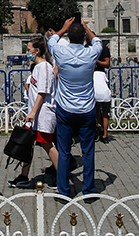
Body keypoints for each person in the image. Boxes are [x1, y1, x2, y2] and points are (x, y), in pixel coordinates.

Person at [47, 17, 103, 197]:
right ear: (84, 38)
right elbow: (97, 41)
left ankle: (64, 190)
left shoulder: (61, 53)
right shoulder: (91, 53)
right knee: (88, 151)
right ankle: (88, 189)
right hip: (86, 109)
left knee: (63, 151)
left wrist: (63, 28)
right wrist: (86, 27)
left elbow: (52, 39)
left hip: (65, 109)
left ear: (69, 37)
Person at [8, 36, 59, 189]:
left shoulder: (44, 67)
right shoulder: (37, 67)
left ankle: (62, 176)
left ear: (37, 51)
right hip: (35, 114)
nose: (27, 52)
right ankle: (23, 176)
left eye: (29, 49)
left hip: (43, 113)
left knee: (46, 144)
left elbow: (42, 93)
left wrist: (33, 113)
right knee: (27, 143)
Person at [93, 41, 112, 143]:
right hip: (106, 95)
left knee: (96, 109)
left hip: (95, 95)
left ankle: (98, 125)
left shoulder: (92, 74)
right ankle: (105, 134)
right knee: (105, 113)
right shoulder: (102, 74)